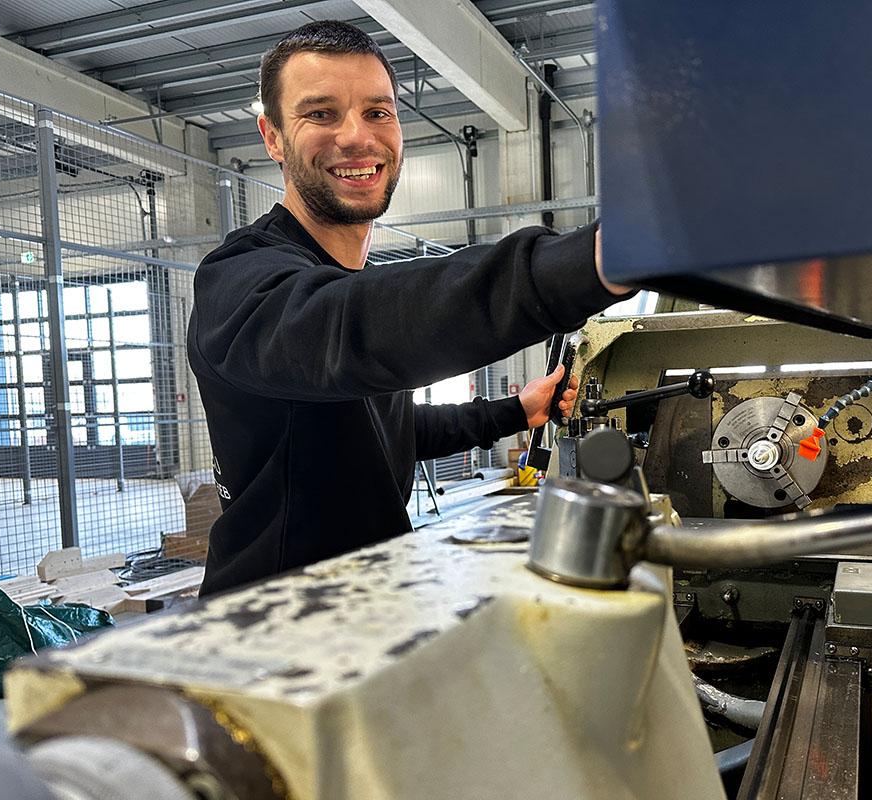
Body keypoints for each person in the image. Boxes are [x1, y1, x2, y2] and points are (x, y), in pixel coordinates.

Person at [187, 20, 627, 596]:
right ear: (272, 137)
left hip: (372, 602)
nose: (356, 137)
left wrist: (516, 411)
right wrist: (595, 259)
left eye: (378, 112)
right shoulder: (240, 283)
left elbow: (387, 431)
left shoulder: (350, 284)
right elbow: (356, 325)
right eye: (320, 114)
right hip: (271, 625)